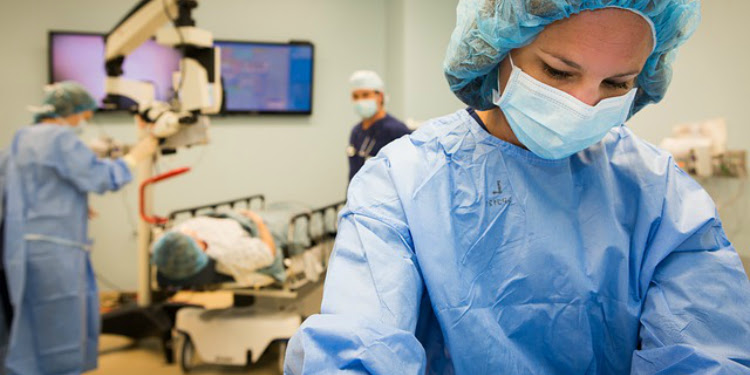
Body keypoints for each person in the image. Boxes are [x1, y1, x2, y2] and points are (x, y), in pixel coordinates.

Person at [285, 1, 750, 374]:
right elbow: (359, 344)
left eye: (616, 82)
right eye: (558, 72)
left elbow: (709, 351)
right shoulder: (405, 179)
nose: (584, 105)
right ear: (496, 50)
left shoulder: (659, 193)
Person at [0, 81, 158, 375]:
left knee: (29, 319)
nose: (83, 123)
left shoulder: (21, 139)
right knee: (60, 320)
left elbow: (22, 188)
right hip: (55, 249)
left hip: (22, 248)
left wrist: (73, 200)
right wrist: (136, 156)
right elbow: (100, 178)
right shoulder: (59, 139)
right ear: (71, 112)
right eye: (84, 117)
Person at [151, 209, 278, 286]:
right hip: (251, 224)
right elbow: (268, 252)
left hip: (233, 218)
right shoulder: (227, 254)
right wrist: (259, 223)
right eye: (191, 237)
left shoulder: (175, 235)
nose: (190, 232)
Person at [347, 70, 411, 181]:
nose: (360, 100)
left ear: (380, 96)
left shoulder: (397, 130)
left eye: (365, 95)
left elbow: (408, 174)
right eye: (355, 96)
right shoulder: (356, 131)